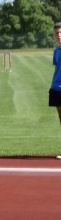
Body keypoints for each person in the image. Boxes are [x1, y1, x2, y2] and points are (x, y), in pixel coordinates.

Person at [50, 21, 61, 160]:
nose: (58, 35)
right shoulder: (56, 51)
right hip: (56, 87)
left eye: (60, 32)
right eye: (56, 33)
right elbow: (56, 69)